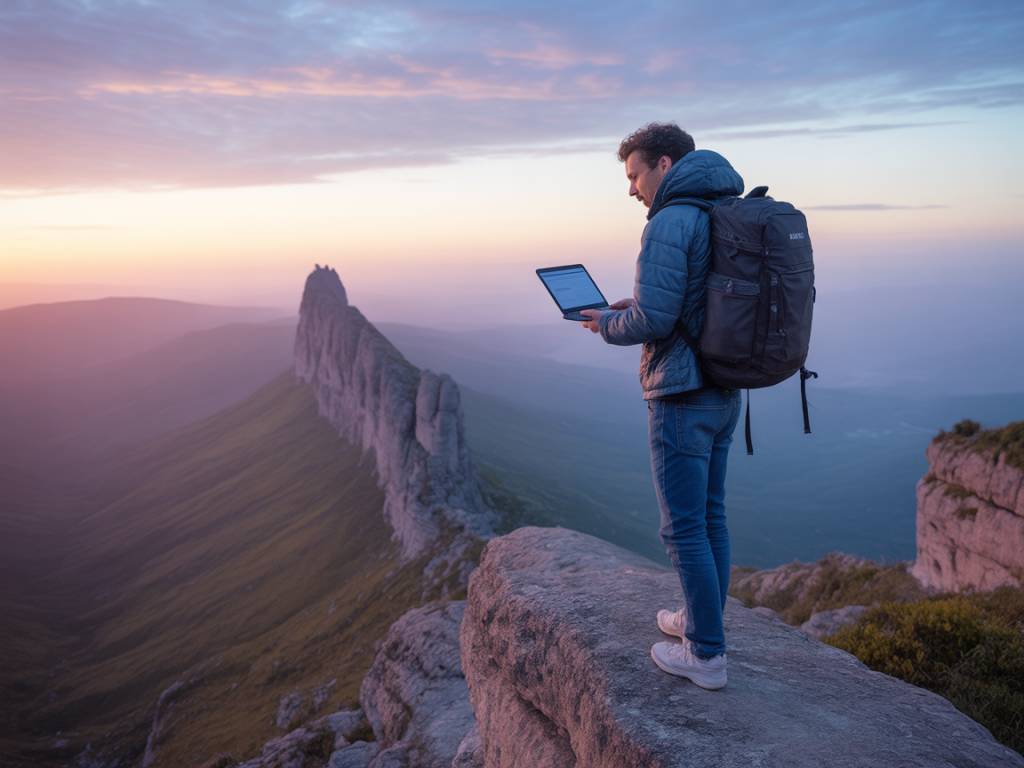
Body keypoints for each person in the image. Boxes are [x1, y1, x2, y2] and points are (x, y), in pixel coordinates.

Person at [580, 122, 744, 691]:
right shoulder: (720, 209)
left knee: (682, 530)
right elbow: (689, 300)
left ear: (665, 164)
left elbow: (654, 323)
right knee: (712, 517)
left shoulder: (671, 220)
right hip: (726, 389)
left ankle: (705, 654)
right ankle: (703, 621)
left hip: (682, 394)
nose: (631, 190)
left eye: (634, 175)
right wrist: (639, 304)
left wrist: (607, 323)